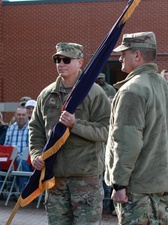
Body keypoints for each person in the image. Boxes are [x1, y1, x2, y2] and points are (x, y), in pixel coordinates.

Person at [29, 42, 111, 224]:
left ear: (80, 62)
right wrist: (35, 154)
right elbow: (36, 128)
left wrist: (76, 124)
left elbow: (107, 131)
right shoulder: (47, 94)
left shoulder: (94, 93)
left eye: (66, 59)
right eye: (57, 59)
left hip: (85, 177)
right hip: (55, 176)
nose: (60, 63)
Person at [104, 32, 168, 224]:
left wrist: (119, 183)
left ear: (137, 56)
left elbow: (127, 142)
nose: (120, 58)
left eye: (124, 53)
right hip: (163, 184)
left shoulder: (132, 90)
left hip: (137, 189)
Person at [5, 106, 30, 190]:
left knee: (20, 160)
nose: (21, 117)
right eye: (19, 114)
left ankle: (24, 191)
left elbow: (32, 148)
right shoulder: (11, 128)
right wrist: (11, 155)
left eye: (23, 115)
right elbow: (6, 145)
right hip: (11, 157)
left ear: (27, 116)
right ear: (15, 115)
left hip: (27, 158)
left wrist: (18, 155)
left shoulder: (32, 128)